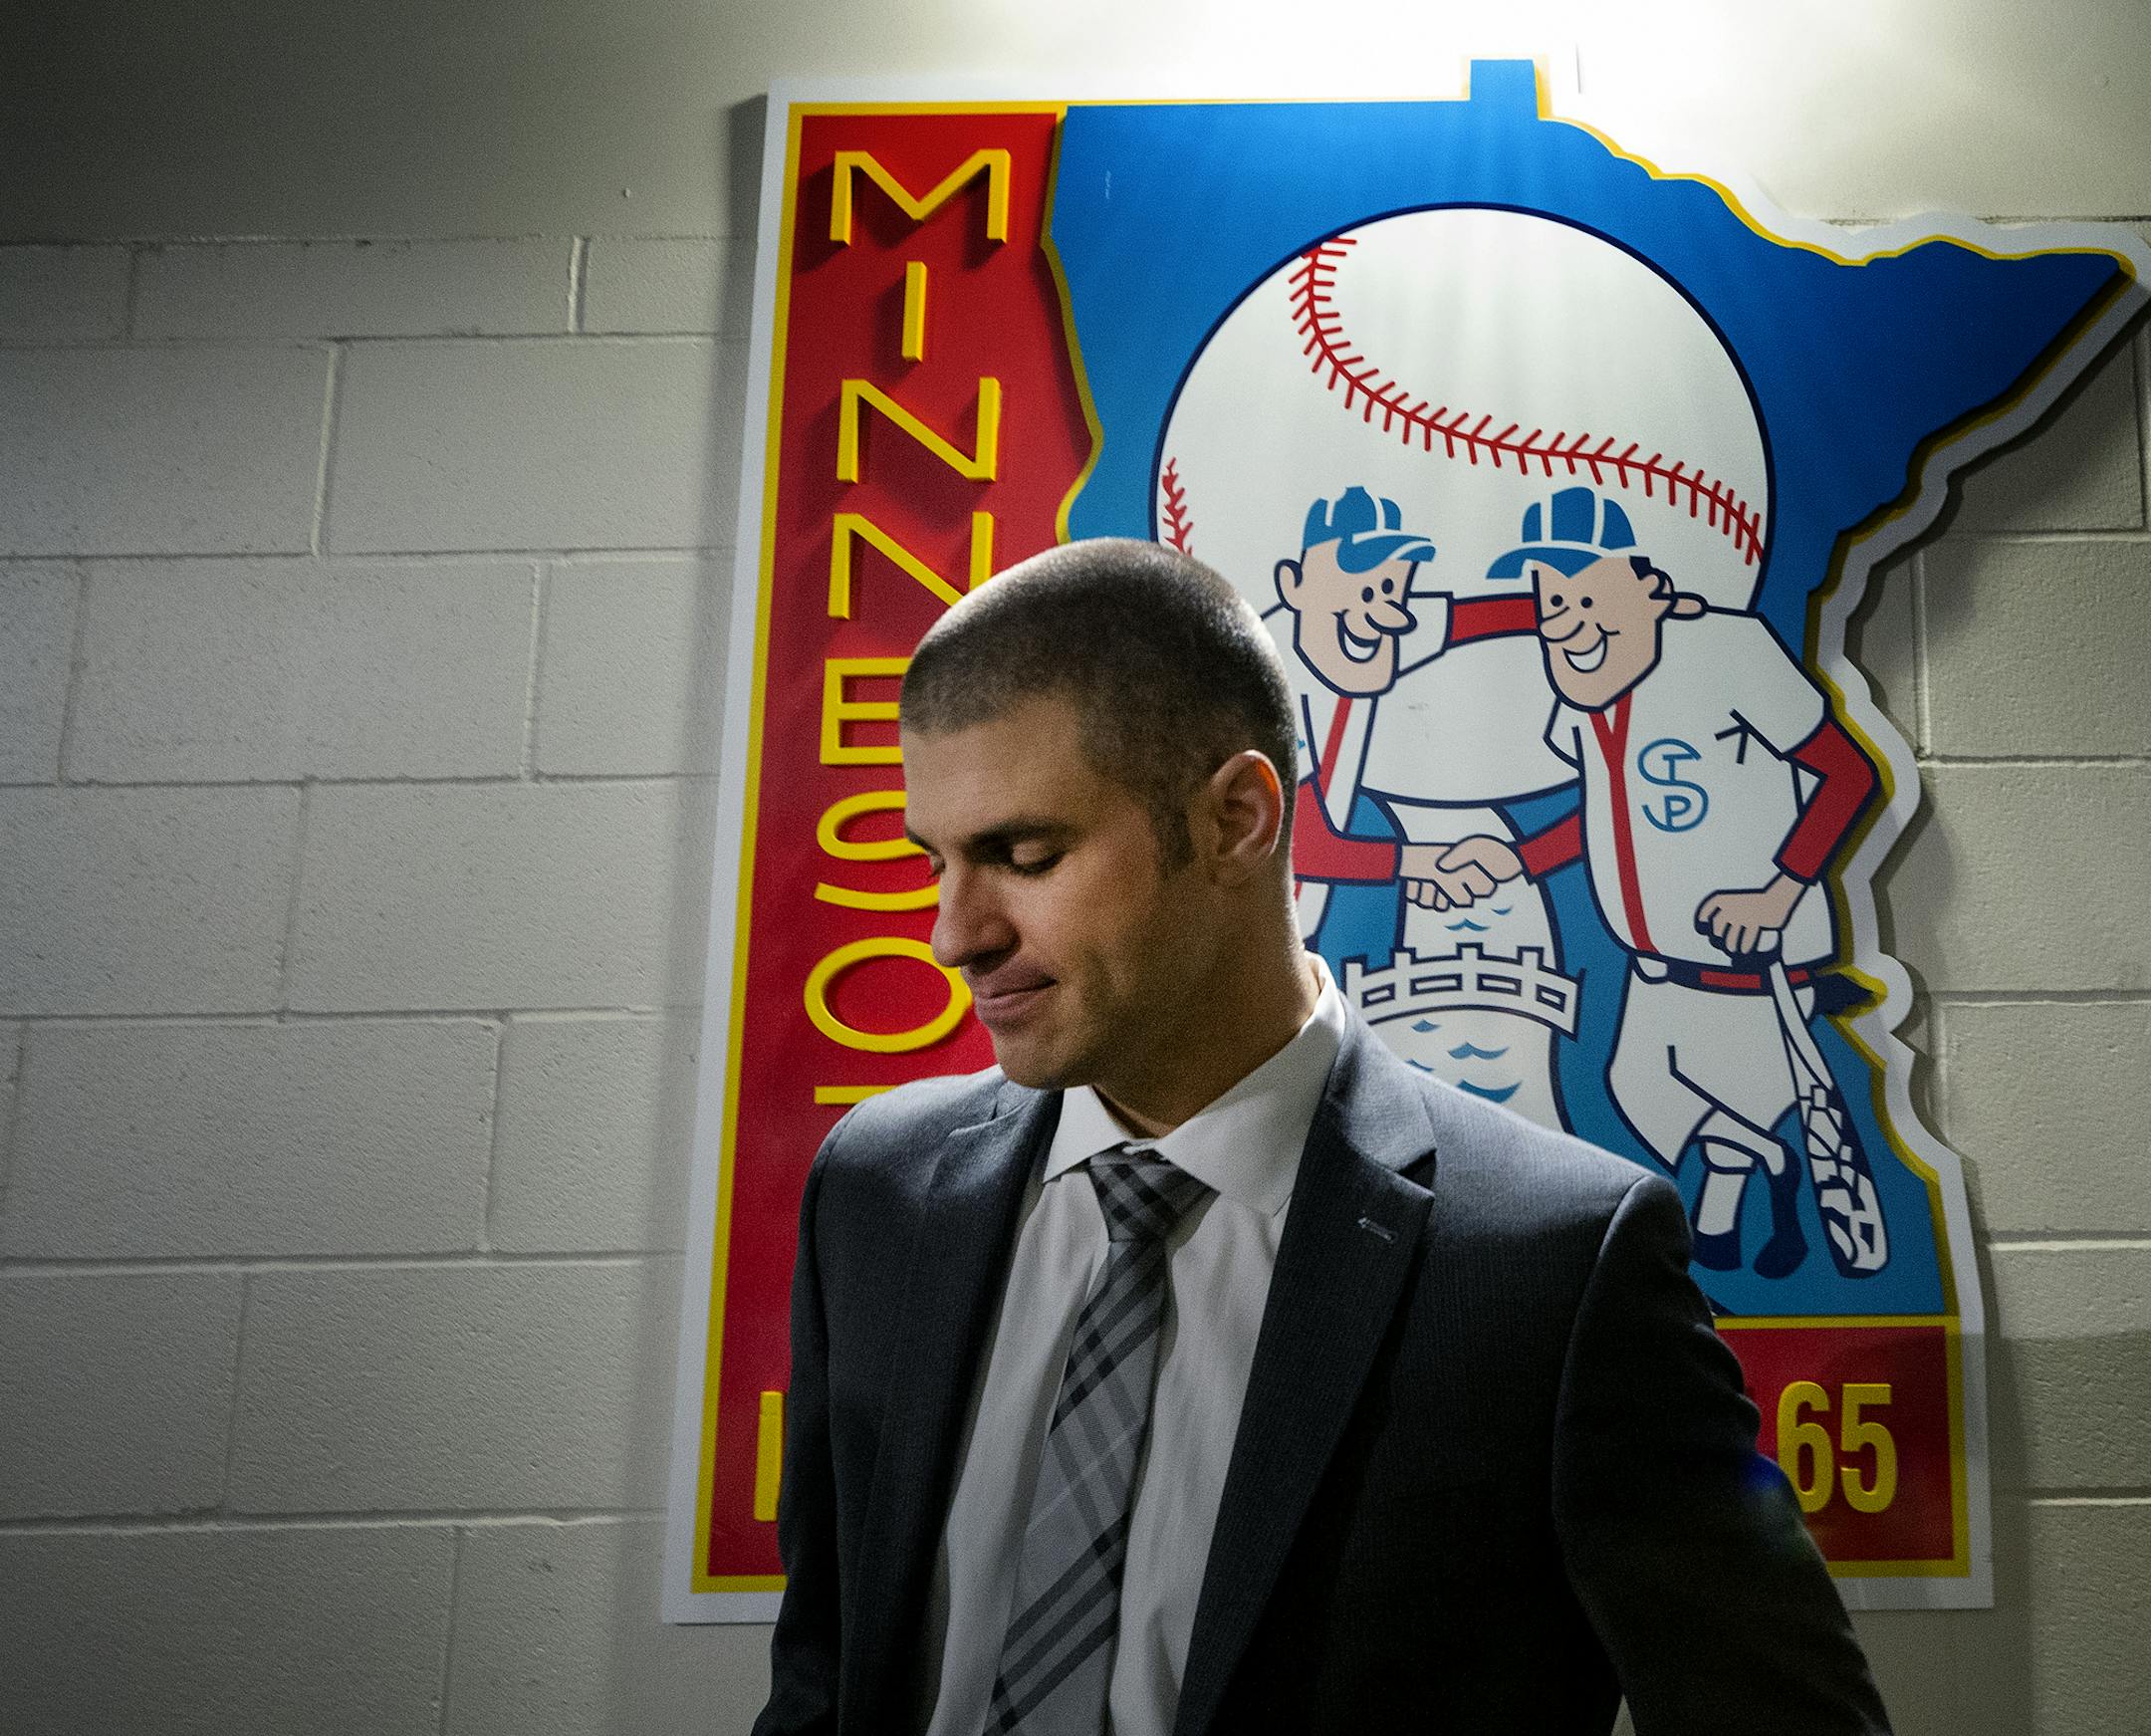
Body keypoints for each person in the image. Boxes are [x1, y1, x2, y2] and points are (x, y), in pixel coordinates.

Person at [753, 538, 1890, 1735]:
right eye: (934, 861)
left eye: (1025, 856)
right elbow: (822, 1686)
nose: (954, 934)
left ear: (1237, 819)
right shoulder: (876, 1194)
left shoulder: (1558, 1266)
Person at [1421, 493, 1886, 1280]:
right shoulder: (1581, 692)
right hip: (1654, 967)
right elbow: (1604, 812)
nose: (1570, 622)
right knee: (1639, 1089)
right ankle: (1770, 1169)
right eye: (1554, 603)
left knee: (1723, 1096)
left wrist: (1775, 894)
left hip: (1747, 962)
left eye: (1590, 598)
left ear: (1652, 590)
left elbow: (1847, 773)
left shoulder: (1725, 648)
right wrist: (1520, 858)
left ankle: (1727, 1224)